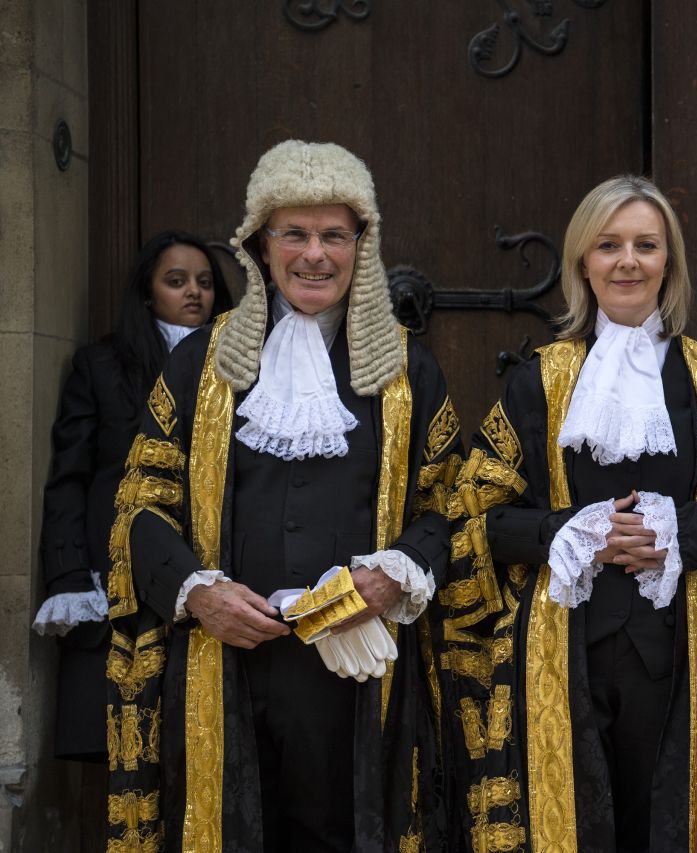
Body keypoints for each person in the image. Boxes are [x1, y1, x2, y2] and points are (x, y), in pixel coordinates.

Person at [103, 141, 463, 851]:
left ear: (362, 245)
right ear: (260, 246)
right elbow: (140, 502)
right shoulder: (199, 363)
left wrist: (392, 577)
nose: (314, 254)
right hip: (224, 664)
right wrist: (196, 592)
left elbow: (451, 505)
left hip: (357, 675)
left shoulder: (405, 370)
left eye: (334, 234)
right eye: (293, 233)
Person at [436, 175, 697, 852]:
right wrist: (568, 533)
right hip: (563, 659)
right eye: (609, 245)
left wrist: (682, 533)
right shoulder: (536, 381)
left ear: (669, 263)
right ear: (583, 263)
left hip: (686, 661)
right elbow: (475, 516)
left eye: (645, 245)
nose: (627, 260)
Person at [32, 229, 232, 762]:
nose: (194, 292)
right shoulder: (100, 367)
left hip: (211, 574)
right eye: (176, 281)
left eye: (205, 282)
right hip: (116, 574)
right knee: (125, 750)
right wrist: (70, 576)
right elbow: (70, 479)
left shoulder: (241, 367)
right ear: (148, 292)